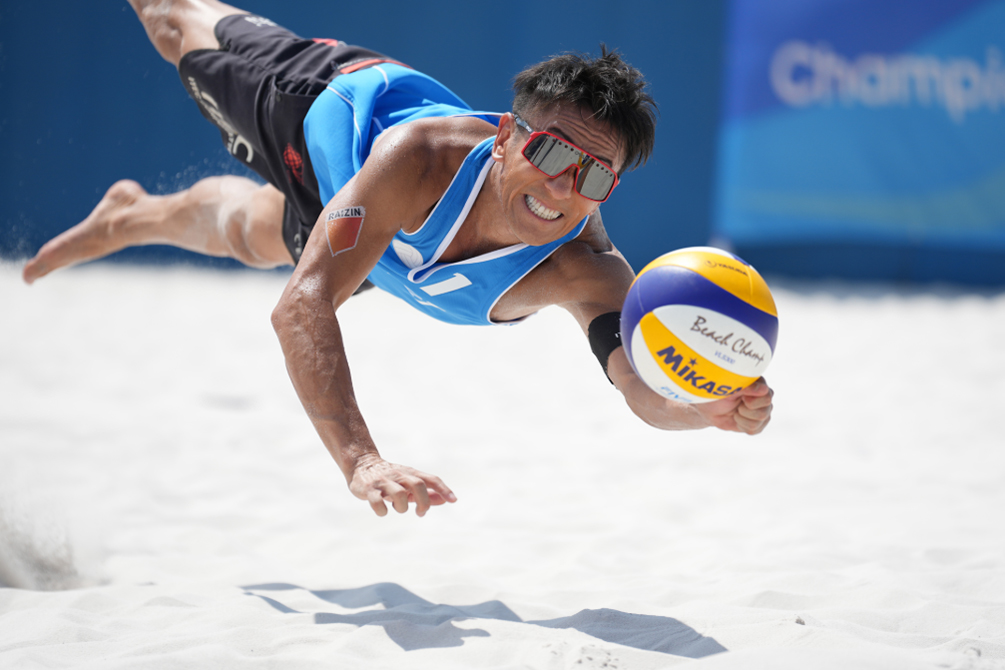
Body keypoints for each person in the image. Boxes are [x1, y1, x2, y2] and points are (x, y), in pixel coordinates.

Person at [22, 0, 774, 518]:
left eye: (595, 175)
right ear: (506, 137)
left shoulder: (588, 270)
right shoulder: (421, 159)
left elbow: (639, 386)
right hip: (317, 109)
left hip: (381, 238)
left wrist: (699, 410)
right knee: (173, 26)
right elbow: (300, 308)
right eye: (550, 153)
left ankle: (129, 215)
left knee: (252, 236)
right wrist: (362, 461)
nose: (563, 187)